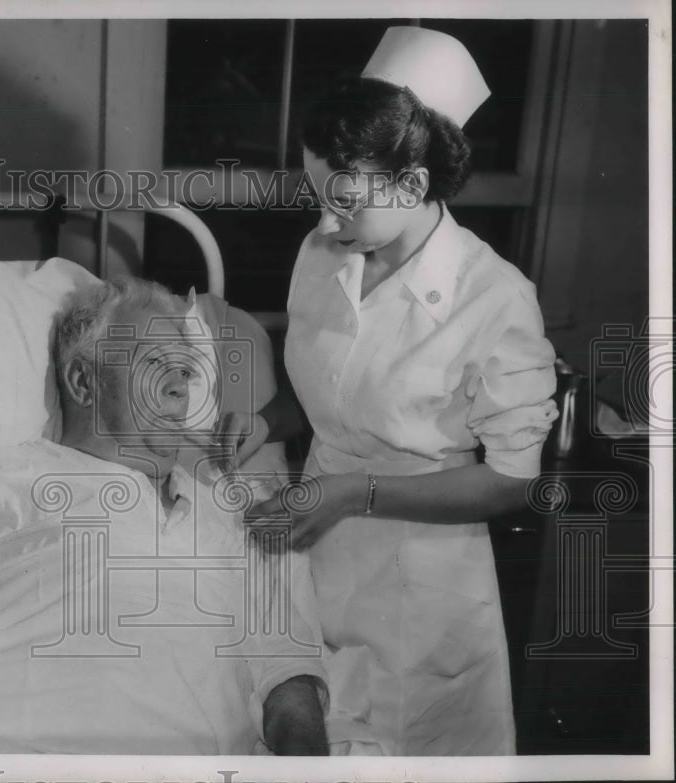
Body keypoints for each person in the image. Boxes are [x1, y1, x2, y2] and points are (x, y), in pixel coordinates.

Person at [0, 277, 329, 755]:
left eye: (186, 371)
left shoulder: (233, 515)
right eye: (153, 363)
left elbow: (287, 672)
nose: (180, 387)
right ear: (82, 381)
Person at [217, 27, 559, 755]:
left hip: (422, 579)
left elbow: (512, 481)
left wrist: (351, 493)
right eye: (319, 196)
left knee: (402, 748)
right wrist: (264, 422)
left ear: (413, 185)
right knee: (297, 729)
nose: (324, 220)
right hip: (313, 540)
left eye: (344, 203)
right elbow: (330, 393)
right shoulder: (324, 252)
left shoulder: (494, 299)